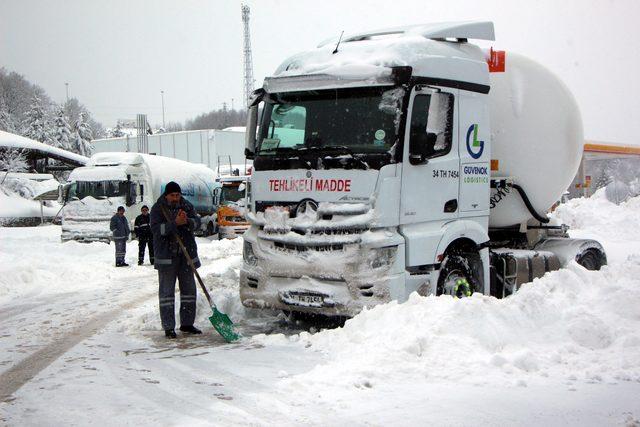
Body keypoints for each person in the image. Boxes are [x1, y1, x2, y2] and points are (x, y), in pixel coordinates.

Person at [150, 181, 202, 339]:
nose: (176, 198)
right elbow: (156, 230)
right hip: (167, 257)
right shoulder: (158, 209)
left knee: (189, 292)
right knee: (167, 294)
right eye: (173, 195)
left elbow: (198, 223)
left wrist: (188, 221)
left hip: (186, 256)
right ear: (167, 195)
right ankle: (168, 327)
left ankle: (187, 324)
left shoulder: (186, 206)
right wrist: (174, 224)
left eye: (178, 195)